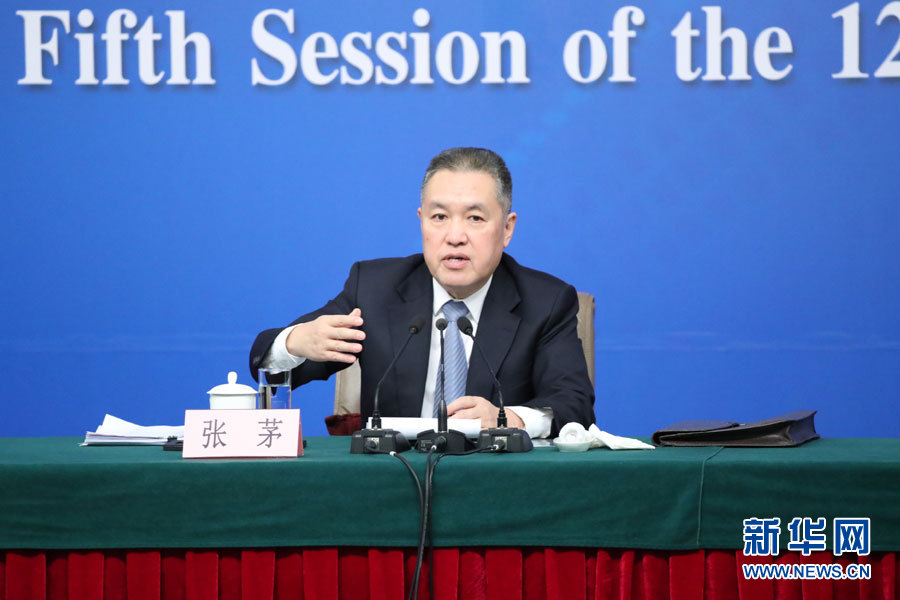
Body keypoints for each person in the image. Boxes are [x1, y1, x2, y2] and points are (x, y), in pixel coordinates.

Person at [249, 147, 594, 438]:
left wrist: (509, 419)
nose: (455, 236)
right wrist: (294, 343)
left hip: (497, 483)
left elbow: (574, 405)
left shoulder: (546, 302)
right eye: (439, 217)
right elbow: (269, 363)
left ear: (507, 228)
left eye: (475, 218)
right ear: (421, 220)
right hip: (395, 480)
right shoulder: (374, 289)